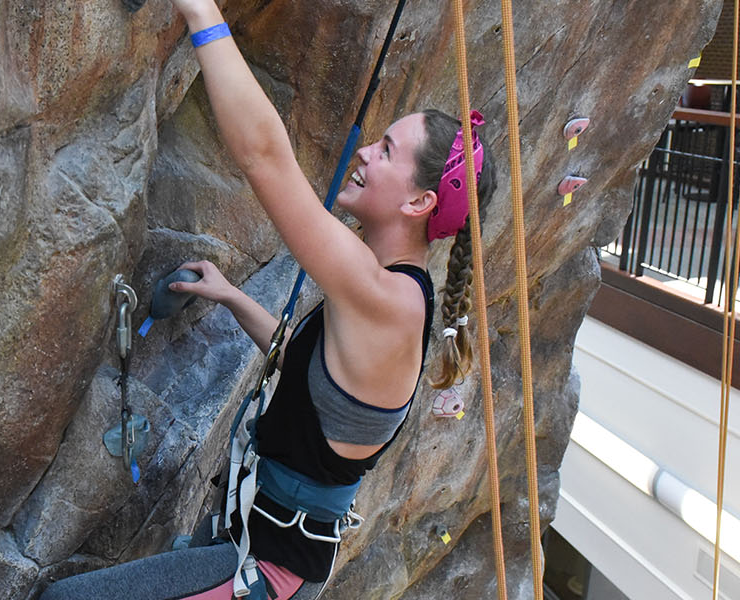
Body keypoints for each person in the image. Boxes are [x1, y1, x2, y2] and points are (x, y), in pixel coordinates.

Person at [160, 0, 498, 598]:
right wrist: (232, 296)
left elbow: (265, 158)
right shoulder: (387, 298)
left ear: (420, 203)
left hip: (265, 575)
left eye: (388, 150)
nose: (366, 152)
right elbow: (310, 373)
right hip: (253, 552)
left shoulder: (388, 300)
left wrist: (199, 11)